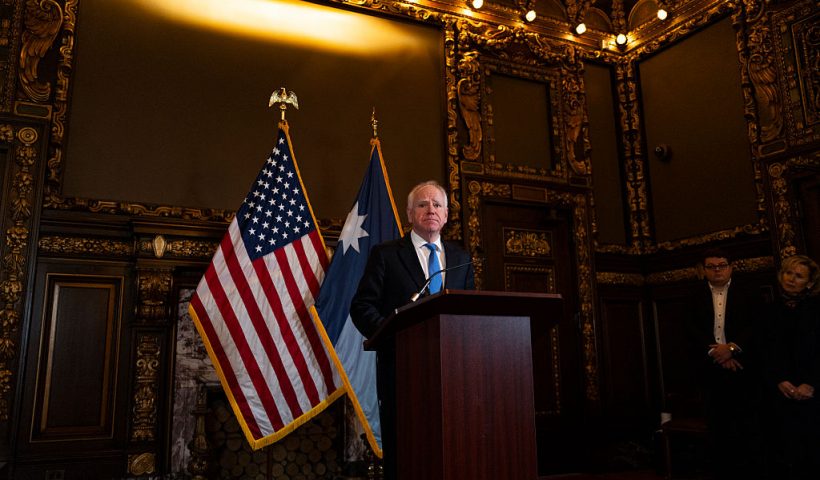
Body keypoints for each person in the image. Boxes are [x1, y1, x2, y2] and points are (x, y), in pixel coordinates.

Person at [350, 180, 475, 479]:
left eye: (436, 205)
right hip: (403, 370)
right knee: (408, 450)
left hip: (453, 372)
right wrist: (395, 336)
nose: (430, 209)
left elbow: (469, 311)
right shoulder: (387, 254)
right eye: (422, 204)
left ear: (446, 215)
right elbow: (362, 306)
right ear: (409, 214)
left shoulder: (461, 259)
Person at [685, 247, 764, 478]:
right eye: (711, 266)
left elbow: (757, 326)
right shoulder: (693, 295)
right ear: (703, 269)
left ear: (731, 266)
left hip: (745, 368)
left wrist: (731, 349)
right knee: (718, 428)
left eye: (721, 265)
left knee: (747, 426)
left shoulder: (749, 291)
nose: (717, 270)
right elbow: (690, 329)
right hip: (710, 371)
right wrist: (718, 355)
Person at [763, 254, 820, 479]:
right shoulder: (769, 309)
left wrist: (812, 383)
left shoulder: (817, 308)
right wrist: (779, 380)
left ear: (809, 282)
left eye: (798, 276)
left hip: (813, 392)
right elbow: (765, 352)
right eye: (788, 273)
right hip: (781, 392)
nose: (791, 279)